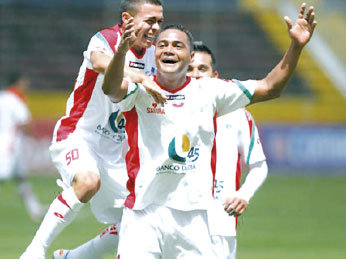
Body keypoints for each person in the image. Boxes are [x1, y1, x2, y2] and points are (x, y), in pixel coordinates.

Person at [102, 3, 316, 258]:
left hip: (195, 219)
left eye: (177, 45)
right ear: (154, 53)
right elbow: (111, 88)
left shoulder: (211, 91)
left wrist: (296, 47)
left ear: (191, 57)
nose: (169, 49)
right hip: (143, 214)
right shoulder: (140, 91)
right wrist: (121, 52)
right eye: (163, 45)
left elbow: (270, 87)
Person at [20, 0, 165, 259]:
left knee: (142, 217)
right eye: (150, 20)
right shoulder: (106, 39)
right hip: (77, 136)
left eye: (159, 22)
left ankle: (72, 257)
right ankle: (34, 251)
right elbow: (100, 63)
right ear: (127, 18)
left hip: (112, 153)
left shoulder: (155, 55)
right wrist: (142, 78)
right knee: (87, 182)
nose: (155, 28)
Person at [187, 41, 268, 258]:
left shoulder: (239, 115)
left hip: (220, 222)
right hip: (175, 220)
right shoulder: (163, 109)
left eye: (202, 69)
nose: (195, 75)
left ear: (215, 76)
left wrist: (244, 194)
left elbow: (259, 165)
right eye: (189, 68)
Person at [0, 74, 46, 222]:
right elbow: (24, 122)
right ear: (18, 83)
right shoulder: (16, 100)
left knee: (21, 178)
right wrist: (34, 138)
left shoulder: (2, 98)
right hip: (10, 145)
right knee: (3, 176)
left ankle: (34, 208)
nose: (26, 86)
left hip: (7, 142)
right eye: (24, 83)